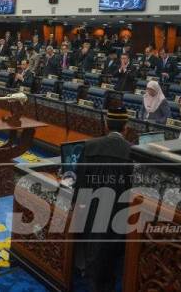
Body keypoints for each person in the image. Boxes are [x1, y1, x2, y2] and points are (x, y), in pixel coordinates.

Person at [75, 107, 132, 292]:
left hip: (94, 209)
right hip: (120, 213)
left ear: (106, 125)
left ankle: (94, 282)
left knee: (94, 250)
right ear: (126, 128)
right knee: (113, 256)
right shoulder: (133, 152)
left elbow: (81, 185)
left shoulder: (90, 146)